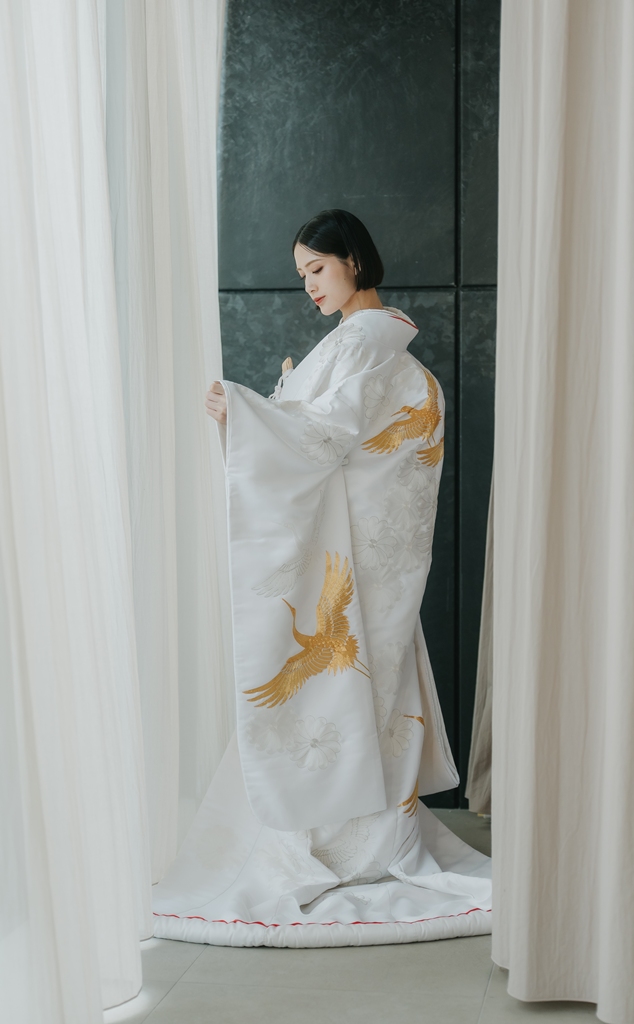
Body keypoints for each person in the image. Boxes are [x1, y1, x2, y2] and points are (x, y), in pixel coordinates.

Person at [152, 210, 492, 947]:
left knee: (349, 683)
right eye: (302, 273)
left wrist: (243, 411)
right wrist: (255, 416)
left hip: (355, 552)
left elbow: (325, 433)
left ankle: (340, 843)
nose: (308, 284)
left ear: (353, 261)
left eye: (317, 268)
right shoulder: (377, 343)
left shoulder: (364, 341)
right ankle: (369, 835)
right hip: (373, 556)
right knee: (372, 681)